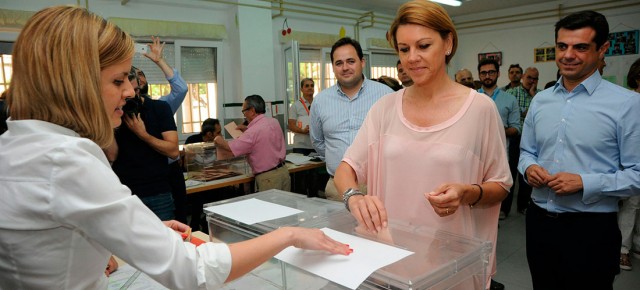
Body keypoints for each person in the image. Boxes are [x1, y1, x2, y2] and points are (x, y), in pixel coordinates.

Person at [0, 6, 350, 289]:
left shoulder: (17, 144)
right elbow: (192, 271)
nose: (129, 92)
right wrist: (287, 235)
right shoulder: (66, 158)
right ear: (74, 83)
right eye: (118, 80)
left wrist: (117, 238)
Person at [333, 1, 511, 289]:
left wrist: (467, 193)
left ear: (448, 43)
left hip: (450, 260)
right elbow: (346, 169)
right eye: (404, 49)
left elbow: (501, 185)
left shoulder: (480, 109)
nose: (412, 58)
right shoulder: (385, 109)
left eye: (423, 46)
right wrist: (354, 197)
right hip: (390, 255)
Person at [519, 11, 640, 289]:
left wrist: (585, 182)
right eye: (562, 46)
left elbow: (637, 174)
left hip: (591, 229)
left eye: (581, 47)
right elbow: (526, 152)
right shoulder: (541, 100)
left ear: (602, 50)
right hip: (540, 222)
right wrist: (529, 168)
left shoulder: (626, 104)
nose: (568, 55)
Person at [310, 37, 393, 201]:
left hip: (376, 187)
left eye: (350, 61)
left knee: (383, 227)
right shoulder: (320, 101)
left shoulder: (386, 95)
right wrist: (338, 163)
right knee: (335, 228)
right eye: (339, 63)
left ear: (362, 62)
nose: (345, 67)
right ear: (333, 67)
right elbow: (318, 141)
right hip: (337, 188)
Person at [106, 68, 179, 221]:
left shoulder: (159, 108)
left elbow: (173, 151)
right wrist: (109, 120)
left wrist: (143, 134)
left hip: (158, 192)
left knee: (165, 240)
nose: (131, 96)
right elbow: (112, 155)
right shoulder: (113, 114)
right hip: (125, 193)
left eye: (136, 90)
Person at [133, 36, 190, 223]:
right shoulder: (119, 110)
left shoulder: (160, 106)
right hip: (140, 177)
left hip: (168, 171)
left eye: (142, 75)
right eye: (135, 76)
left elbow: (180, 89)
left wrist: (159, 61)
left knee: (178, 217)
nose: (140, 79)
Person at [213, 94, 291, 192]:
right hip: (283, 172)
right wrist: (246, 130)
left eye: (244, 111)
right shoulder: (274, 122)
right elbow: (262, 139)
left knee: (269, 207)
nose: (244, 115)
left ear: (252, 111)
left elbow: (231, 148)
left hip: (268, 178)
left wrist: (219, 139)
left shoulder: (253, 132)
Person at [478, 58, 521, 220]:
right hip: (477, 152)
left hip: (502, 151)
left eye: (491, 72)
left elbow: (516, 128)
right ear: (479, 75)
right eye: (484, 73)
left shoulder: (509, 99)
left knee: (502, 183)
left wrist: (498, 129)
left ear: (498, 74)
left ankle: (503, 210)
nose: (487, 76)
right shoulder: (472, 97)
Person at [506, 67, 541, 214]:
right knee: (511, 173)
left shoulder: (540, 96)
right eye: (529, 77)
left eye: (535, 78)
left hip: (533, 139)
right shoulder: (511, 93)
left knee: (527, 173)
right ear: (523, 77)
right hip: (516, 137)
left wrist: (533, 97)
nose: (532, 81)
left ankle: (523, 205)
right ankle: (505, 208)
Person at [618, 57, 640, 271]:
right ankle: (623, 250)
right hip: (632, 162)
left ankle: (637, 245)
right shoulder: (628, 101)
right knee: (631, 205)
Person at [288, 78, 315, 156]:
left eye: (312, 86)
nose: (310, 88)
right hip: (301, 146)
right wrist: (302, 131)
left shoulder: (318, 104)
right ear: (301, 89)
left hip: (316, 145)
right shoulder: (295, 106)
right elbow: (291, 126)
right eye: (307, 86)